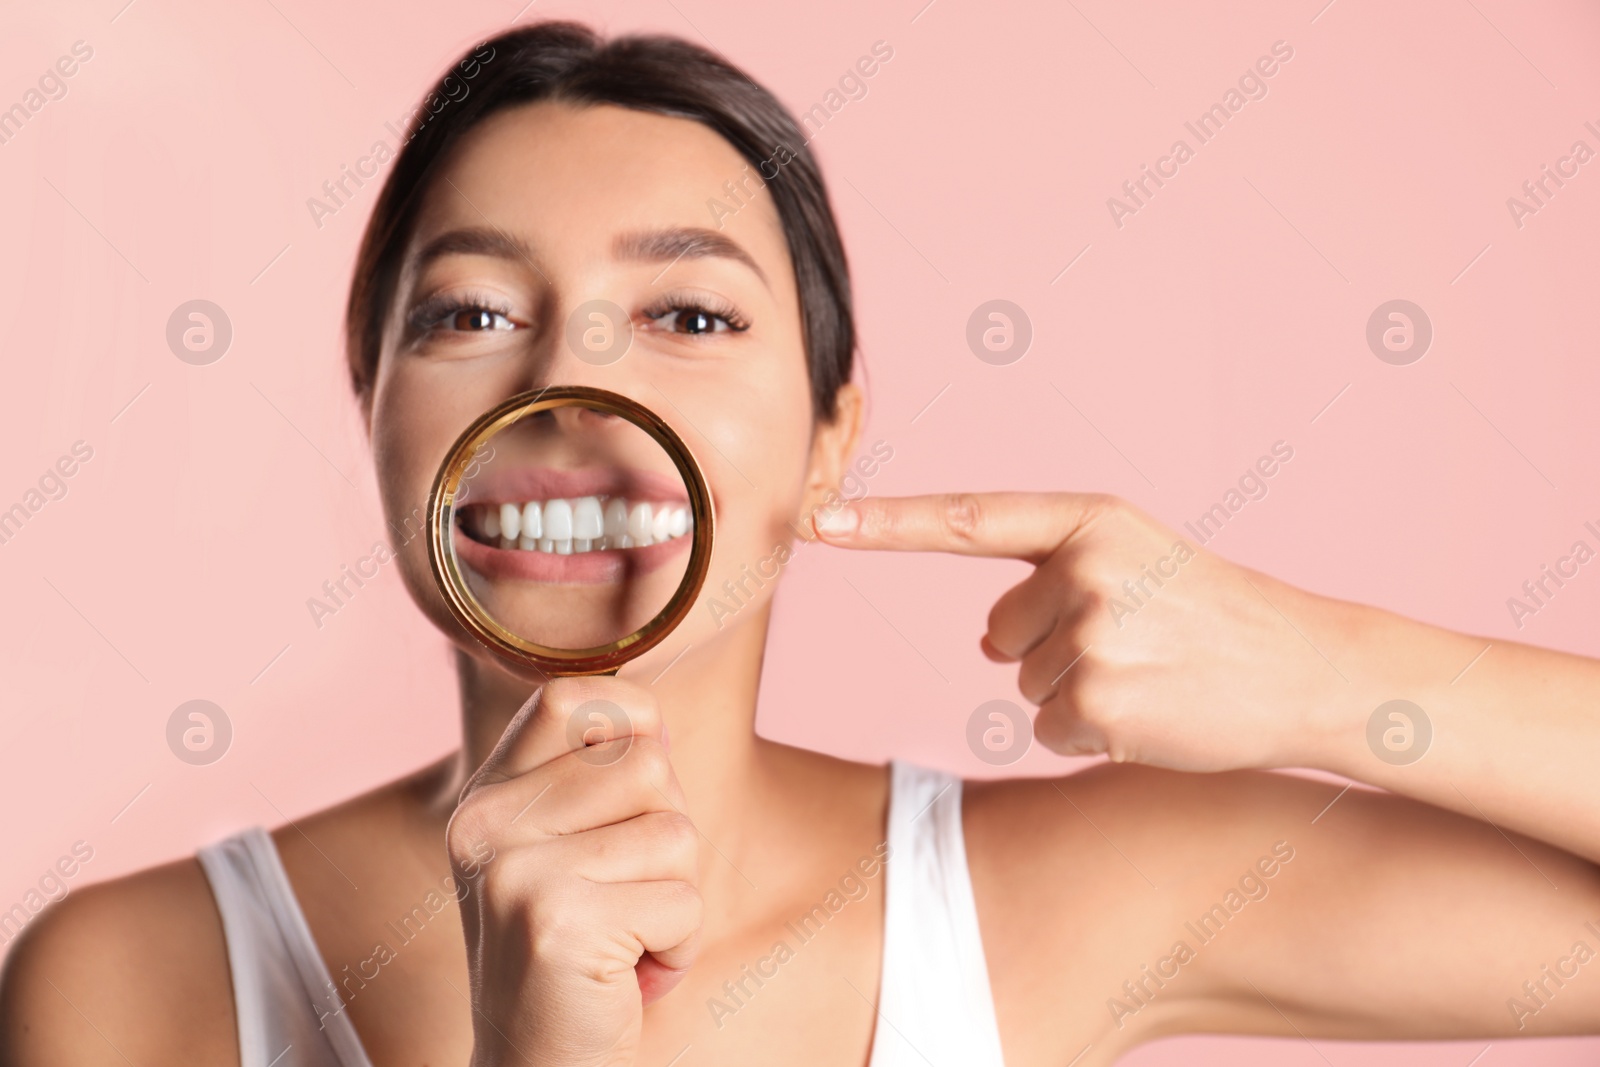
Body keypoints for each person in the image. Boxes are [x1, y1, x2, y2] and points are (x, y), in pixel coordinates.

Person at [3, 21, 1598, 1067]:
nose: (575, 384)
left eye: (689, 313)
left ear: (833, 427)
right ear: (375, 402)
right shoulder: (132, 984)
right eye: (476, 312)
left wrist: (1329, 673)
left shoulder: (1050, 897)